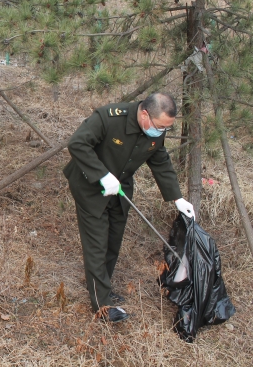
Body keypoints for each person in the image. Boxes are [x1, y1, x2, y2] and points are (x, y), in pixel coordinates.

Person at [63, 92, 195, 323]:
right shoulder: (109, 117)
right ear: (145, 114)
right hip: (90, 187)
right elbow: (78, 143)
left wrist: (177, 199)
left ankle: (102, 285)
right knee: (97, 244)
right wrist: (101, 175)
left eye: (166, 128)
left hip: (120, 190)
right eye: (159, 126)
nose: (161, 132)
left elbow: (161, 161)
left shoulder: (154, 130)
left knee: (113, 241)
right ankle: (102, 304)